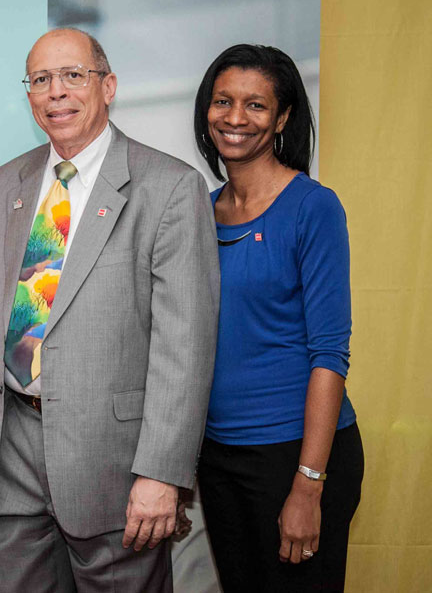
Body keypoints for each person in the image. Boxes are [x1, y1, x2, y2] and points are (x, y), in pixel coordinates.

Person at [0, 27, 220, 592]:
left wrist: (161, 473)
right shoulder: (6, 184)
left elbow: (185, 348)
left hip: (114, 463)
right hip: (10, 450)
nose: (56, 92)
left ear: (108, 86)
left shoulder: (170, 187)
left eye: (73, 75)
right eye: (40, 79)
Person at [193, 44, 364, 592]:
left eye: (256, 104)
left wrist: (309, 485)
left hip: (295, 455)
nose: (235, 117)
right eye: (223, 101)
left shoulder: (313, 207)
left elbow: (330, 355)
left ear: (283, 117)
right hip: (217, 457)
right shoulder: (197, 213)